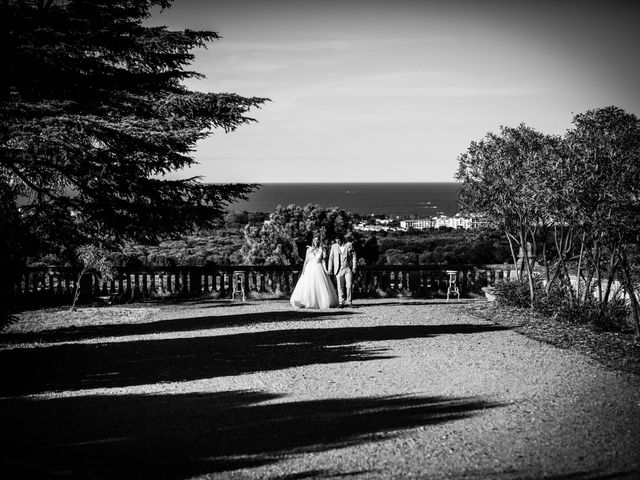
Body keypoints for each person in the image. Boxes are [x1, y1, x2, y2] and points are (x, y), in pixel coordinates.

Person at [290, 235, 339, 309]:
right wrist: (303, 270)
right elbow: (306, 261)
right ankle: (306, 302)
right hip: (309, 268)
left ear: (319, 241)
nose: (316, 241)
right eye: (315, 240)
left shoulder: (321, 249)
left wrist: (325, 270)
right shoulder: (309, 250)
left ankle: (319, 302)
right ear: (313, 241)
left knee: (319, 285)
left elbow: (323, 261)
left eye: (317, 240)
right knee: (308, 285)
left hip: (318, 268)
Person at [327, 233, 357, 307]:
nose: (338, 242)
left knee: (349, 285)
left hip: (348, 268)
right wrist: (330, 269)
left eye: (339, 240)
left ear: (342, 239)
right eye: (336, 240)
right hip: (338, 269)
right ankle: (341, 302)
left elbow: (354, 256)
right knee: (340, 286)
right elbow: (331, 258)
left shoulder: (349, 245)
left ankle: (349, 302)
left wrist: (354, 267)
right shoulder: (334, 246)